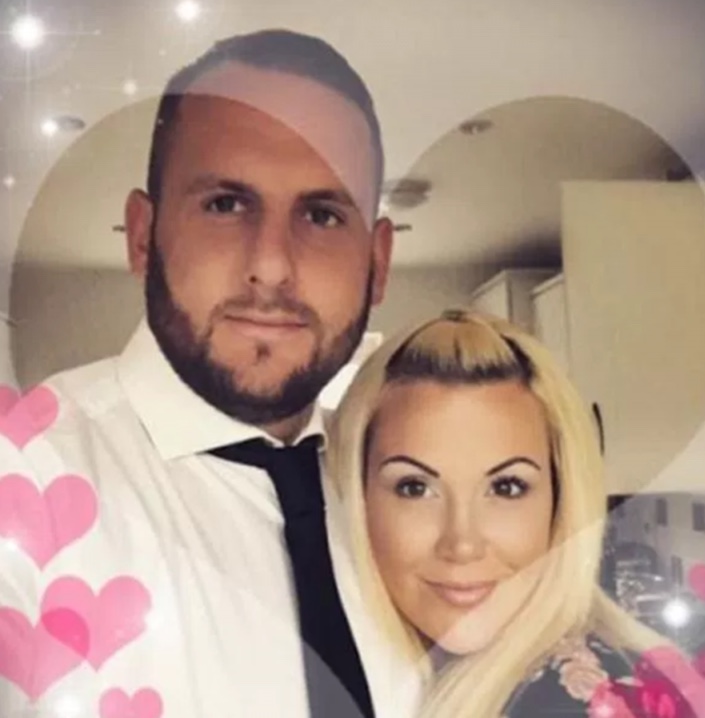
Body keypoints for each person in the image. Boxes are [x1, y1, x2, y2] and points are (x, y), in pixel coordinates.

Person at [0, 30, 418, 718]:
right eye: (226, 204)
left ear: (377, 262)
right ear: (143, 235)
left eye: (321, 214)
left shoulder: (410, 501)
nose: (272, 266)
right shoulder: (23, 486)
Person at [328, 309, 705, 718]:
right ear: (358, 496)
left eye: (506, 487)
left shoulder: (572, 704)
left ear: (560, 499)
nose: (462, 543)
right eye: (415, 488)